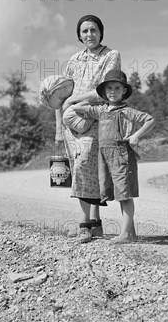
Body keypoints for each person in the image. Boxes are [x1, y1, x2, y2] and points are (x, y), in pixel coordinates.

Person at [57, 15, 121, 243]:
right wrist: (58, 126)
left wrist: (75, 101)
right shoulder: (73, 60)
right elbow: (61, 95)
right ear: (79, 35)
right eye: (84, 31)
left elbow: (105, 90)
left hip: (95, 118)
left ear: (101, 32)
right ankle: (94, 224)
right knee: (81, 170)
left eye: (93, 30)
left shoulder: (111, 56)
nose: (89, 35)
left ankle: (84, 225)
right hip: (71, 122)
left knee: (86, 165)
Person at [73, 70, 155, 243]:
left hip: (121, 155)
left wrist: (136, 136)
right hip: (105, 157)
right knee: (118, 193)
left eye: (117, 88)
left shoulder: (127, 111)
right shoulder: (101, 110)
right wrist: (95, 98)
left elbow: (149, 120)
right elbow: (76, 108)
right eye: (108, 88)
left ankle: (126, 233)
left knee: (124, 194)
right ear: (104, 91)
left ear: (124, 91)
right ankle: (129, 233)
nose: (113, 91)